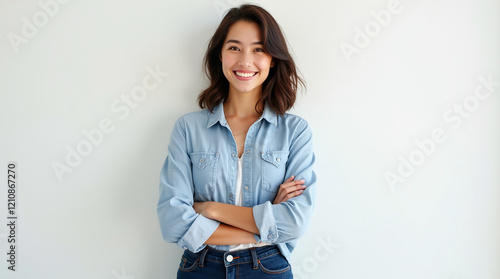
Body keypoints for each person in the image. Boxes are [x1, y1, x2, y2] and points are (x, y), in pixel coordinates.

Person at [157, 4, 316, 278]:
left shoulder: (295, 132)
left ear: (273, 59)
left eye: (258, 49)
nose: (245, 61)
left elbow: (294, 222)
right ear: (220, 54)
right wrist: (265, 224)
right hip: (200, 267)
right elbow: (173, 224)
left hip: (268, 268)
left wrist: (211, 209)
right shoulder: (188, 128)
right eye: (234, 48)